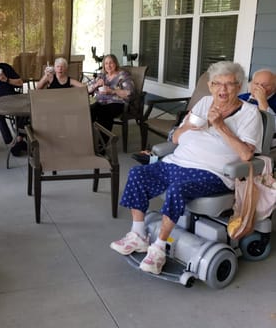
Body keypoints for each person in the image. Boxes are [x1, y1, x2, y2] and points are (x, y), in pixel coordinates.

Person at [110, 61, 262, 275]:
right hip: (177, 162)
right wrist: (189, 126)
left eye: (229, 84)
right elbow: (178, 138)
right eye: (217, 84)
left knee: (177, 189)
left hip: (213, 173)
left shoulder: (250, 114)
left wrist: (220, 126)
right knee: (138, 173)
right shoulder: (203, 103)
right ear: (210, 86)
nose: (223, 89)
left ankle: (159, 248)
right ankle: (138, 235)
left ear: (239, 87)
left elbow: (247, 154)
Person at [88, 54, 134, 132]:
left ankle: (102, 141)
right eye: (106, 63)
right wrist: (96, 84)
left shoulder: (123, 75)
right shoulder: (102, 75)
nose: (108, 66)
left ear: (115, 64)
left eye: (111, 63)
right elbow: (88, 89)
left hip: (116, 103)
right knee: (89, 110)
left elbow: (129, 93)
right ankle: (89, 136)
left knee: (104, 113)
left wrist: (112, 91)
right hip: (100, 102)